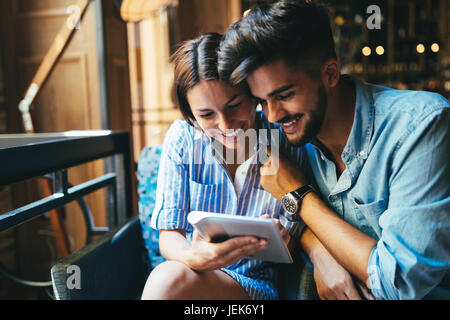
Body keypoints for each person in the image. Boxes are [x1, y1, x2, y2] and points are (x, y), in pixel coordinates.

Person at [218, 0, 450, 300]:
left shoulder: (421, 126)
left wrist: (298, 195)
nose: (273, 115)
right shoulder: (283, 132)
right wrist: (319, 253)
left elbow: (399, 283)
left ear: (330, 74)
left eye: (284, 95)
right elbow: (197, 125)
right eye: (261, 101)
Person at [140, 32, 307, 300]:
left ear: (253, 95)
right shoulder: (183, 137)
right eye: (206, 115)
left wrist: (287, 239)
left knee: (166, 281)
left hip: (255, 287)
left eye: (234, 106)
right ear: (191, 114)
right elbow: (169, 234)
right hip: (191, 276)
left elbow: (299, 234)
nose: (226, 125)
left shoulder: (283, 138)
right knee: (168, 277)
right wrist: (193, 256)